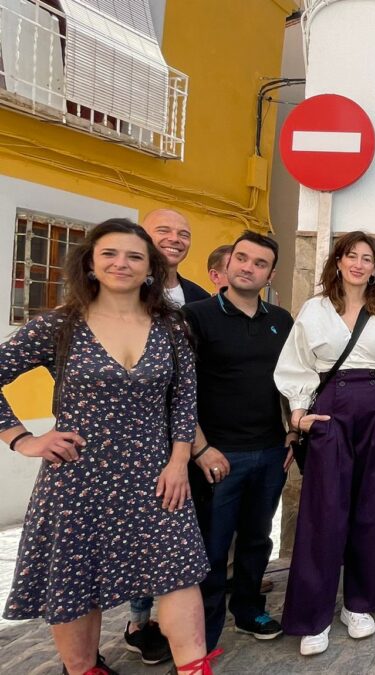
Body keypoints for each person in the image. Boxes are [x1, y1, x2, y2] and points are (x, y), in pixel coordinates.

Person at [0, 219, 218, 675]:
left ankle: (195, 669)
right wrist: (22, 439)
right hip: (77, 476)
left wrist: (180, 460)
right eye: (110, 254)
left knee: (180, 574)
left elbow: (183, 400)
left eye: (135, 256)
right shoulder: (59, 326)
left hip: (157, 474)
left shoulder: (171, 327)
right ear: (92, 265)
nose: (123, 263)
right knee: (77, 582)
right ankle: (85, 670)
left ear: (150, 268)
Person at [274, 231, 375, 654]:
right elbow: (296, 362)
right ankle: (313, 616)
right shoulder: (314, 310)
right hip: (331, 406)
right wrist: (299, 411)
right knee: (324, 511)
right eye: (351, 256)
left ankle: (359, 602)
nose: (358, 264)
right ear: (338, 262)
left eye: (367, 258)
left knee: (373, 509)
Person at [183, 231, 294, 648]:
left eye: (259, 263)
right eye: (242, 259)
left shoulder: (280, 321)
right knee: (210, 552)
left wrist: (293, 434)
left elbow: (293, 383)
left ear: (270, 273)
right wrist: (200, 448)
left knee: (256, 540)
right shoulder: (196, 316)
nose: (248, 267)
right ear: (226, 266)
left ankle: (248, 612)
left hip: (269, 452)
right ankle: (203, 638)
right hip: (217, 456)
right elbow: (180, 390)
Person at [124, 207, 212, 663]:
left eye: (183, 233)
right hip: (129, 438)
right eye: (164, 231)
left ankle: (170, 625)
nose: (175, 239)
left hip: (184, 434)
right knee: (134, 533)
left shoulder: (195, 297)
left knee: (172, 530)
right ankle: (139, 620)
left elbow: (191, 379)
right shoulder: (122, 291)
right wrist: (22, 437)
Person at [143, 208, 211, 307]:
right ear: (142, 236)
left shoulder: (201, 298)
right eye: (163, 231)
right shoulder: (125, 287)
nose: (175, 239)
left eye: (184, 235)